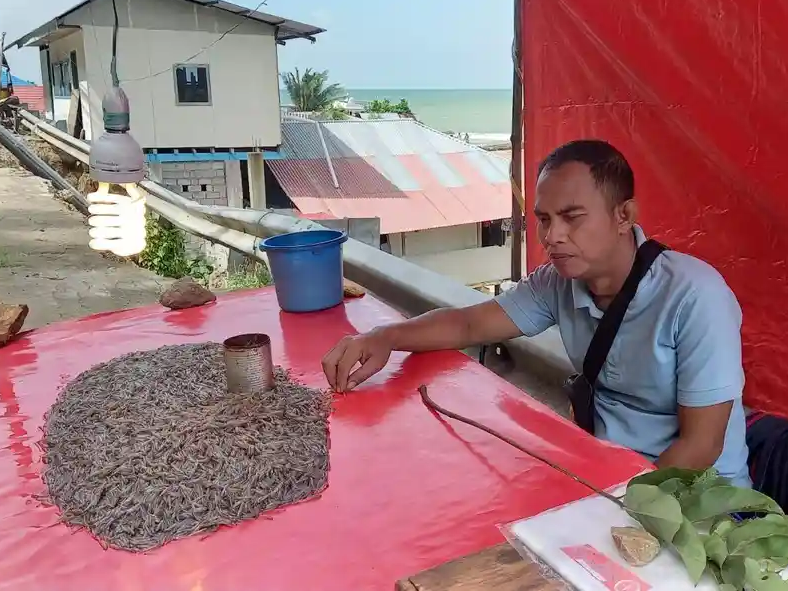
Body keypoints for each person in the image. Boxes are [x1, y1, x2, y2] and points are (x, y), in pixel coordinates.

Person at [321, 139, 750, 487]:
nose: (551, 236)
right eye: (543, 219)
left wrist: (619, 508)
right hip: (605, 471)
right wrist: (383, 337)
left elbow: (701, 447)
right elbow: (469, 323)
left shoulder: (695, 297)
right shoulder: (557, 282)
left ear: (624, 216)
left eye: (571, 218)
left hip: (697, 498)